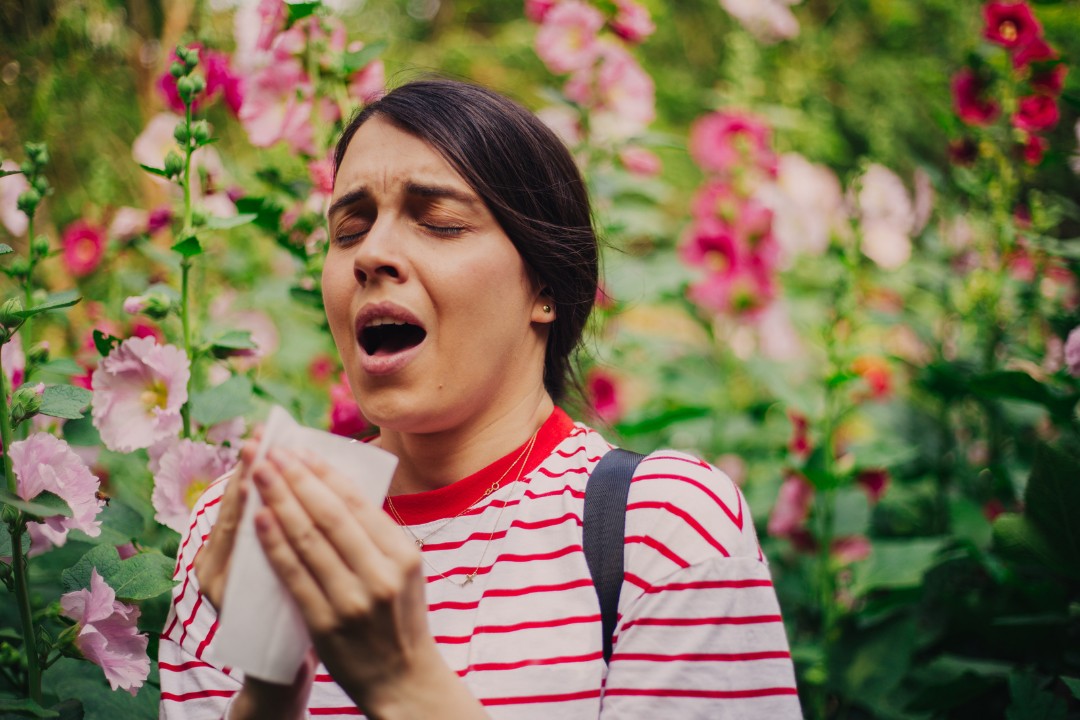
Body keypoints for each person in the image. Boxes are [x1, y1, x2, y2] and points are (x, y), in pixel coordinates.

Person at [158, 79, 802, 720]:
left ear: (544, 286)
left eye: (439, 223)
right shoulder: (243, 527)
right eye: (350, 229)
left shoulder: (659, 527)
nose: (372, 254)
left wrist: (400, 684)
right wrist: (271, 690)